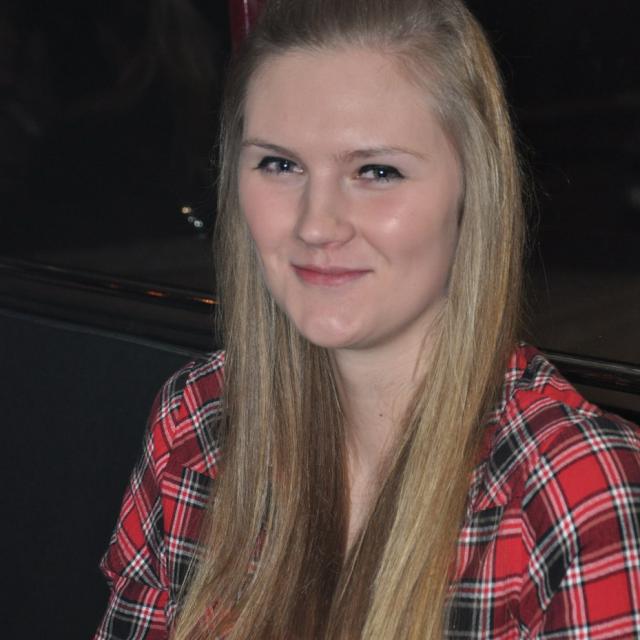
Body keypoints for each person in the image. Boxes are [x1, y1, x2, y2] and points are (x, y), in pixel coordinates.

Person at [94, 0, 640, 638]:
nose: (316, 224)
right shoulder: (196, 419)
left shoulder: (577, 489)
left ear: (473, 189)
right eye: (280, 164)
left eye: (377, 171)